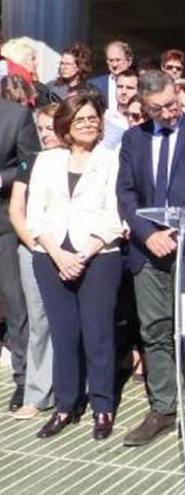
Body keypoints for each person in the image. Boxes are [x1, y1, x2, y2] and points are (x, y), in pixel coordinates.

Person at [115, 69, 185, 448]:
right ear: (144, 107)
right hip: (148, 253)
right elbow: (126, 196)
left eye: (172, 103)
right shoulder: (133, 140)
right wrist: (148, 235)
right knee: (154, 330)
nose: (170, 112)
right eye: (159, 108)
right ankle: (163, 408)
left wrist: (177, 233)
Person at [27, 93, 123, 440]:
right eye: (79, 119)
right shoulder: (47, 160)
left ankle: (102, 406)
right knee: (63, 334)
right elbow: (35, 215)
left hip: (99, 255)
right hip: (51, 255)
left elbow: (116, 213)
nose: (87, 124)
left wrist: (84, 253)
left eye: (92, 118)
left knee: (97, 334)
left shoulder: (111, 160)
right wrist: (57, 253)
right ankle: (66, 405)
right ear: (66, 125)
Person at [8, 103, 61, 420]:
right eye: (40, 129)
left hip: (69, 249)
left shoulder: (75, 160)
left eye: (50, 127)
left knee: (70, 323)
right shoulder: (29, 161)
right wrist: (37, 247)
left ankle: (72, 388)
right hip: (33, 249)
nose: (45, 134)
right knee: (39, 321)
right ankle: (37, 393)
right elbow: (16, 210)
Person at [0, 95, 40, 413]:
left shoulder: (17, 116)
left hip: (4, 224)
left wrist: (4, 178)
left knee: (16, 305)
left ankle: (24, 378)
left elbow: (30, 162)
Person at [88, 40, 134, 112]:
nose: (114, 65)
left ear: (129, 61)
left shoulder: (140, 84)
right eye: (111, 60)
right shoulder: (94, 85)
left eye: (118, 60)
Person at [102, 68, 139, 149]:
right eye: (120, 87)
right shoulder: (104, 118)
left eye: (129, 88)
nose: (123, 92)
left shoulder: (142, 122)